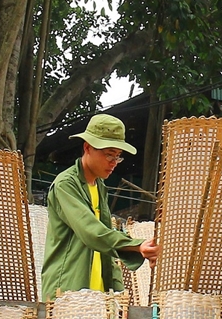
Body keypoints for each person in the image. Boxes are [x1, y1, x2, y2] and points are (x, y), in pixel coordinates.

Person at [39, 113, 160, 301]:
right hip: (67, 293)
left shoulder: (99, 186)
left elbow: (106, 243)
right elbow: (92, 232)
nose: (113, 162)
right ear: (87, 147)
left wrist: (119, 293)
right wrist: (136, 245)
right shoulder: (66, 184)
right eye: (109, 154)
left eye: (118, 156)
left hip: (99, 296)